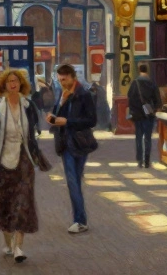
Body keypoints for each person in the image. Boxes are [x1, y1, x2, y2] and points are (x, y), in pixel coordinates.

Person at [0, 68, 48, 264]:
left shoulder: (29, 106)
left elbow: (34, 133)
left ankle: (18, 247)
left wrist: (35, 154)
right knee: (5, 202)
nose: (12, 84)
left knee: (23, 202)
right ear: (4, 84)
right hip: (1, 161)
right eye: (9, 81)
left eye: (16, 81)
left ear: (21, 84)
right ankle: (8, 242)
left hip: (23, 159)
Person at [47, 63, 97, 234]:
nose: (62, 83)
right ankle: (80, 219)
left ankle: (80, 220)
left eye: (64, 79)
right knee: (73, 181)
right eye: (60, 80)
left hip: (79, 143)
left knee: (73, 181)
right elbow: (58, 112)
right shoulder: (63, 93)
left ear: (72, 77)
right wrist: (53, 115)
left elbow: (92, 120)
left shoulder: (84, 94)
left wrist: (68, 122)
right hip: (66, 143)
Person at [126, 63, 159, 168]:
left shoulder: (135, 83)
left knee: (138, 137)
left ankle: (139, 160)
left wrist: (134, 110)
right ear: (147, 70)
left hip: (137, 115)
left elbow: (130, 98)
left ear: (139, 70)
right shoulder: (152, 84)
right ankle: (147, 161)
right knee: (148, 138)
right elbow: (157, 101)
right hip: (148, 115)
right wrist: (153, 109)